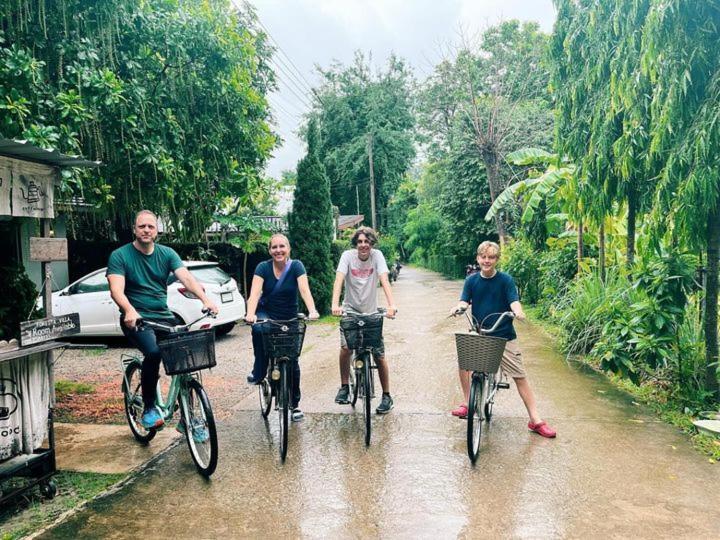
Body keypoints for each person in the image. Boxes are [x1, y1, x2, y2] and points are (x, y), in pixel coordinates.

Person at [107, 210, 219, 430]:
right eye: (142, 226)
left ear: (157, 230)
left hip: (163, 317)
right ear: (134, 229)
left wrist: (206, 299)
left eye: (150, 226)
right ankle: (149, 408)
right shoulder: (120, 255)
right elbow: (116, 289)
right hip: (136, 319)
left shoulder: (167, 254)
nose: (146, 230)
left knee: (186, 356)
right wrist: (129, 310)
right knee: (154, 353)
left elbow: (185, 277)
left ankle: (188, 417)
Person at [450, 241, 556, 438]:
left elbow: (513, 301)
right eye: (483, 257)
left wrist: (518, 311)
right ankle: (468, 403)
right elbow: (464, 300)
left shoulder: (506, 280)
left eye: (491, 257)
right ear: (478, 258)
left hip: (504, 335)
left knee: (519, 376)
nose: (487, 260)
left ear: (497, 259)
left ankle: (536, 420)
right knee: (464, 362)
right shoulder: (472, 281)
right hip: (480, 332)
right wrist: (459, 308)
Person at [244, 233, 319, 422]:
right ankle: (260, 371)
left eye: (282, 246)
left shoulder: (296, 266)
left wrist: (312, 310)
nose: (278, 250)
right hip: (266, 314)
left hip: (289, 316)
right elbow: (254, 293)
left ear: (288, 249)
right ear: (270, 250)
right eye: (274, 247)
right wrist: (250, 314)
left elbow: (304, 290)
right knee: (259, 330)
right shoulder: (263, 267)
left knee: (292, 361)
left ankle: (295, 404)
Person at [331, 227, 398, 414]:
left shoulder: (377, 256)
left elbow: (384, 279)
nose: (363, 245)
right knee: (346, 348)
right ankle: (344, 386)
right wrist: (335, 304)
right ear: (355, 244)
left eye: (367, 242)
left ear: (372, 244)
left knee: (379, 354)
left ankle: (386, 396)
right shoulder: (347, 256)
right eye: (360, 242)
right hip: (350, 311)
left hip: (371, 312)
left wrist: (392, 305)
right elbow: (339, 279)